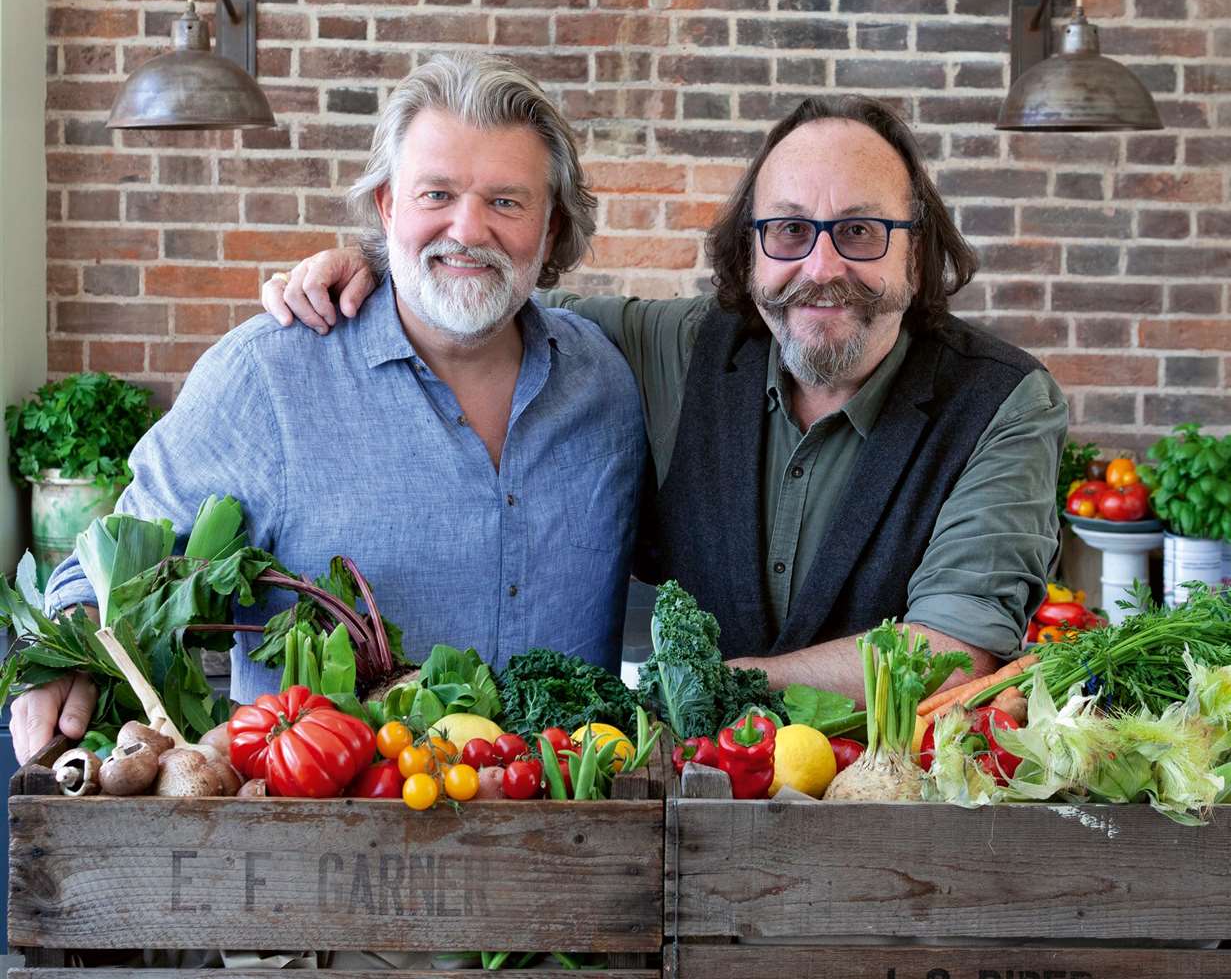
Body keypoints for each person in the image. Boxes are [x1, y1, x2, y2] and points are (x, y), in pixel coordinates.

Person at [263, 93, 1067, 700]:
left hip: (896, 830)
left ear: (917, 255)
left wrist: (712, 685)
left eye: (859, 231)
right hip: (689, 815)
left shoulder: (1001, 404)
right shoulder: (679, 349)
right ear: (749, 251)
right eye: (788, 231)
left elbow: (952, 649)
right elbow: (487, 298)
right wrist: (382, 262)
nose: (821, 266)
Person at [12, 52, 646, 763]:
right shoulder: (269, 377)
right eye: (435, 195)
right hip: (327, 848)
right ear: (386, 207)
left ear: (552, 227)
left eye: (506, 201)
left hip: (573, 848)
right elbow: (111, 558)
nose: (468, 230)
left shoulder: (608, 385)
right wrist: (59, 648)